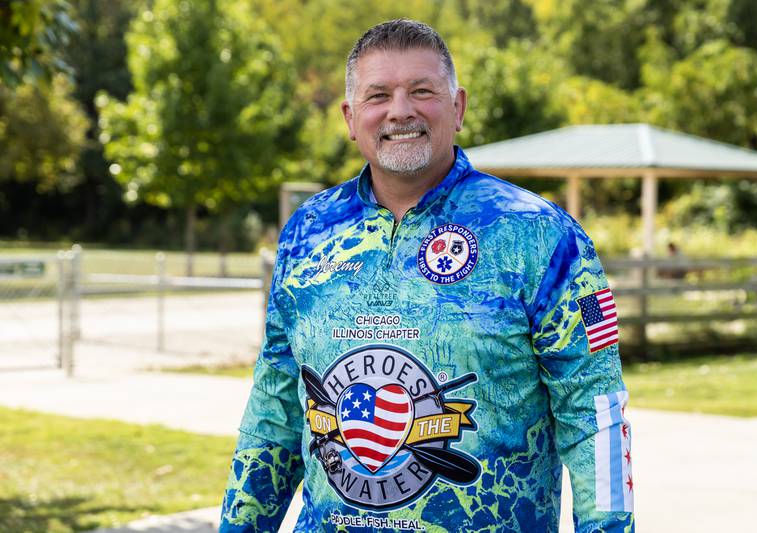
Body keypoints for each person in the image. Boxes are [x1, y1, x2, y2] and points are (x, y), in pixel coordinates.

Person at [220, 19, 634, 533]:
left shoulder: (542, 235)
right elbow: (275, 410)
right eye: (378, 95)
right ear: (350, 118)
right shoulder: (308, 232)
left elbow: (595, 414)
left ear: (457, 108)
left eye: (422, 91)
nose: (400, 110)